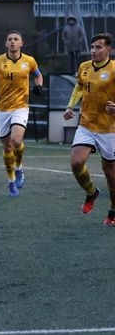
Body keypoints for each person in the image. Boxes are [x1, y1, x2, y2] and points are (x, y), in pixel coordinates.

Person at [0, 31, 43, 197]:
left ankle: (19, 168)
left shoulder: (29, 61)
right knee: (7, 147)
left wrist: (38, 86)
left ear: (22, 43)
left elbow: (38, 75)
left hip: (21, 106)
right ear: (6, 44)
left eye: (16, 39)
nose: (13, 42)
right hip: (3, 109)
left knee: (16, 141)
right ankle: (11, 181)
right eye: (10, 39)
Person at [62, 33, 115, 225]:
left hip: (109, 128)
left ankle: (113, 209)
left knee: (110, 172)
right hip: (86, 124)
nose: (94, 50)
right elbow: (78, 87)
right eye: (92, 47)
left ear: (108, 49)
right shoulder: (84, 67)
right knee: (76, 162)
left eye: (99, 47)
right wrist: (70, 107)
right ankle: (92, 192)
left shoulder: (114, 69)